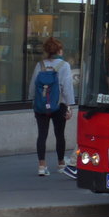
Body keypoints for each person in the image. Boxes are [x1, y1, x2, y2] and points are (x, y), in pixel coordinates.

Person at [30, 37, 74, 176]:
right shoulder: (64, 66)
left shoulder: (40, 64)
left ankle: (42, 165)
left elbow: (33, 87)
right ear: (59, 50)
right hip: (58, 105)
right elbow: (67, 87)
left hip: (41, 105)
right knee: (59, 134)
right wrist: (69, 106)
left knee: (42, 135)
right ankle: (61, 163)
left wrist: (35, 100)